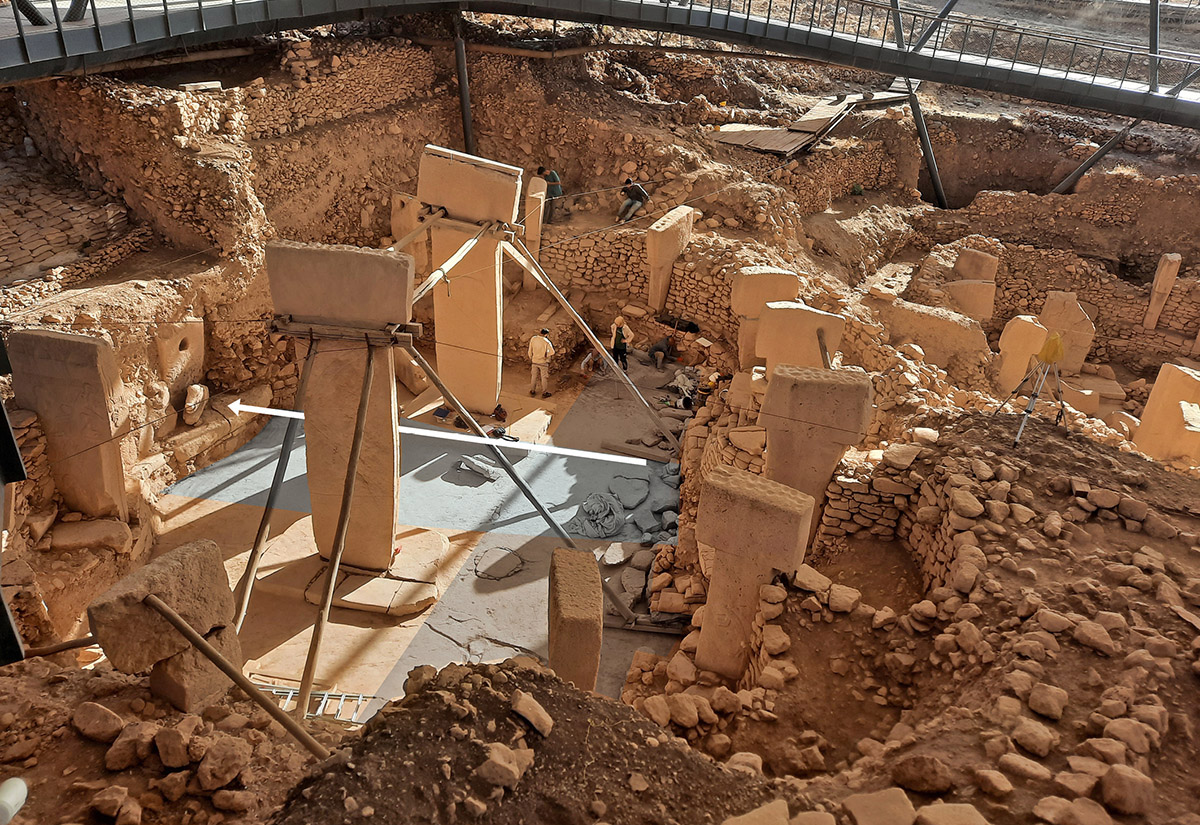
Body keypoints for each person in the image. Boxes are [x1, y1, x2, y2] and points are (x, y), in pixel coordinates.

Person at [528, 328, 554, 398]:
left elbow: (530, 350)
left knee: (534, 376)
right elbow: (552, 352)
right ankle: (544, 392)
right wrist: (546, 355)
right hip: (543, 362)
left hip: (534, 361)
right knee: (544, 377)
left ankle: (532, 390)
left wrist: (531, 357)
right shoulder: (546, 342)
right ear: (546, 334)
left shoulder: (533, 339)